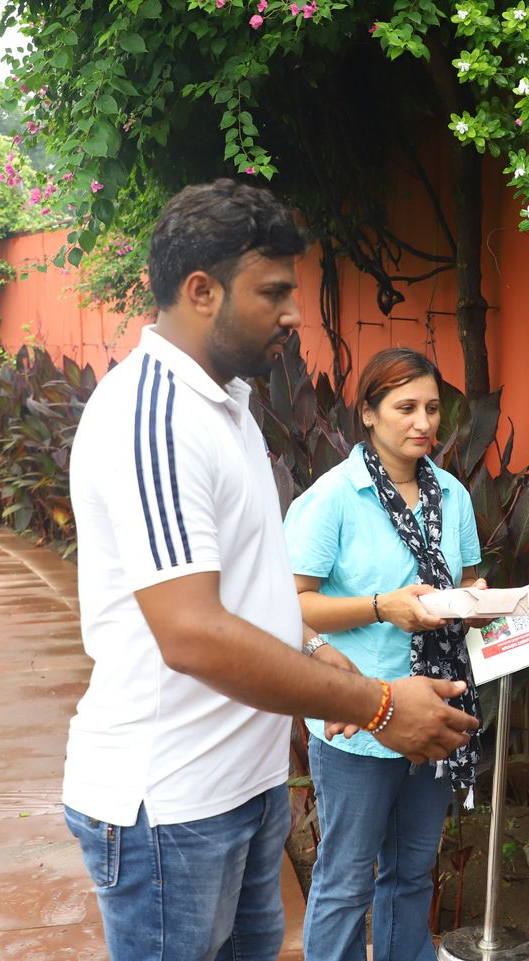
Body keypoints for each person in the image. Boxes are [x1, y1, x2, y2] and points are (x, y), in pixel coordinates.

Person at [63, 180, 479, 961]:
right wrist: (377, 701)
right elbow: (191, 632)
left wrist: (318, 652)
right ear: (201, 290)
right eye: (274, 292)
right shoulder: (154, 417)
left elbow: (252, 589)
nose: (295, 313)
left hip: (244, 789)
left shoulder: (226, 405)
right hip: (171, 806)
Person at [283, 347, 484, 961]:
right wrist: (381, 607)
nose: (424, 422)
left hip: (436, 708)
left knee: (413, 872)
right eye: (405, 408)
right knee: (346, 879)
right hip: (361, 719)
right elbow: (290, 601)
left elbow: (466, 583)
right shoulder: (334, 498)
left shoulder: (452, 496)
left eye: (433, 408)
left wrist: (477, 601)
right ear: (368, 413)